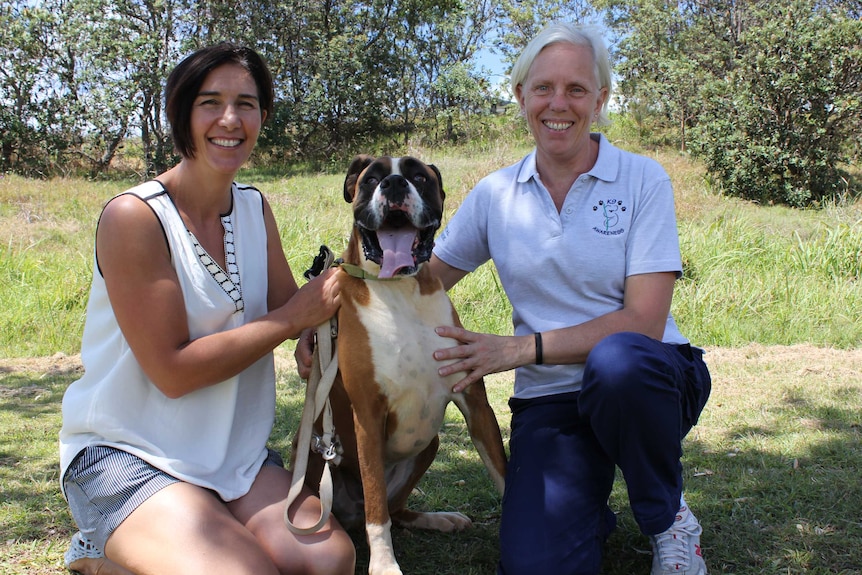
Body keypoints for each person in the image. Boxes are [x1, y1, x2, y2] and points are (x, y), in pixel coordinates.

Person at [59, 43, 355, 575]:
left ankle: (186, 526)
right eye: (210, 102)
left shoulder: (253, 206)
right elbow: (173, 372)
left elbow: (286, 305)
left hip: (229, 454)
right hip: (130, 454)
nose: (230, 119)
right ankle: (102, 550)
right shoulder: (134, 218)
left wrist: (311, 327)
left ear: (263, 116)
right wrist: (292, 321)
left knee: (330, 560)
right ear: (181, 112)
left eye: (246, 103)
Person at [428, 23, 712, 575]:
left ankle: (667, 519)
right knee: (535, 564)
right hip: (553, 401)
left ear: (601, 100)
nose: (559, 104)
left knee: (619, 363)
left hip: (647, 379)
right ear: (520, 97)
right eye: (543, 88)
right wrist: (332, 318)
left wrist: (516, 351)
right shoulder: (495, 196)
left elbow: (644, 322)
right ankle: (584, 515)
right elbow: (423, 283)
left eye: (577, 89)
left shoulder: (642, 180)